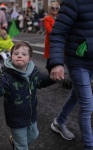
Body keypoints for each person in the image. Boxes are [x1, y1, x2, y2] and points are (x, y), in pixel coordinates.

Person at [48, 0, 93, 150]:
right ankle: (89, 146)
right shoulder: (73, 2)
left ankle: (59, 122)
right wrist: (56, 63)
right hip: (78, 61)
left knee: (77, 94)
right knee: (87, 104)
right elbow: (58, 33)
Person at [43, 1, 59, 72]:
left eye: (56, 8)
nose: (55, 9)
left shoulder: (60, 18)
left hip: (59, 40)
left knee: (57, 55)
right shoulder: (47, 18)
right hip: (51, 40)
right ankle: (50, 69)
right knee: (51, 55)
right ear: (50, 9)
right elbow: (49, 29)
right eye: (53, 8)